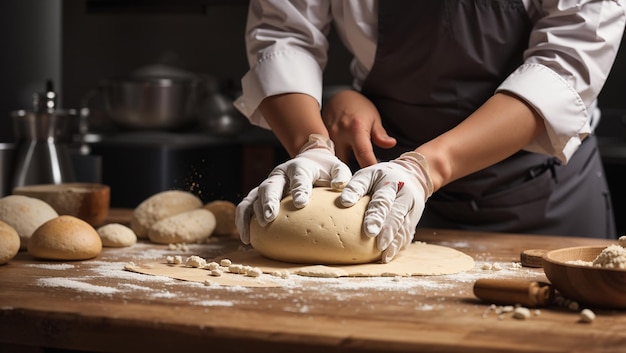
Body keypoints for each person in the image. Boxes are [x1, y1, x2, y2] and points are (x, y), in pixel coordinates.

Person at [234, 0, 626, 263]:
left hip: (542, 197)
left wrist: (424, 169)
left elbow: (563, 68)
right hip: (384, 187)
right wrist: (312, 144)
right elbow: (283, 33)